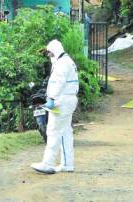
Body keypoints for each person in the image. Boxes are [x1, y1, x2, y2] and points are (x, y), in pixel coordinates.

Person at [31, 39, 79, 174]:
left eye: (50, 53)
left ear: (56, 51)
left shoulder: (62, 64)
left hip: (61, 101)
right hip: (68, 100)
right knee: (65, 133)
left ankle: (48, 163)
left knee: (53, 131)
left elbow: (59, 82)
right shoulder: (67, 61)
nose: (49, 56)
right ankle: (67, 164)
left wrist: (51, 98)